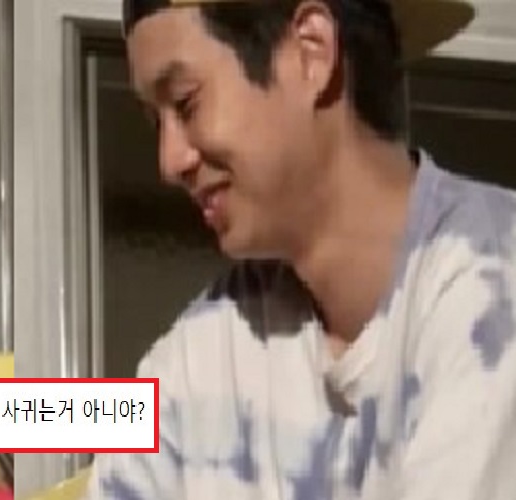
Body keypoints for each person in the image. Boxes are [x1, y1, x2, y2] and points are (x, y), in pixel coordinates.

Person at [89, 0, 516, 498]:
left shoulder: (492, 287)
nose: (169, 161)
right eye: (154, 122)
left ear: (311, 51)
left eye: (186, 103)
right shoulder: (203, 355)